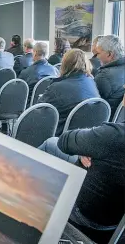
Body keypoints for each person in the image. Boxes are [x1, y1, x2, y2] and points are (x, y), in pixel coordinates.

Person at [38, 92, 125, 244]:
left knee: (51, 142)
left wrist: (88, 146)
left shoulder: (116, 135)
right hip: (115, 224)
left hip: (83, 215)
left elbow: (64, 141)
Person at [38, 49, 100, 136]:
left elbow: (38, 112)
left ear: (65, 64)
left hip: (62, 138)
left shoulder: (57, 87)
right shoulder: (91, 82)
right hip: (87, 136)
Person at [94, 35, 125, 117]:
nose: (96, 57)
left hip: (105, 121)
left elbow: (91, 102)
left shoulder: (104, 76)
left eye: (98, 53)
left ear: (109, 54)